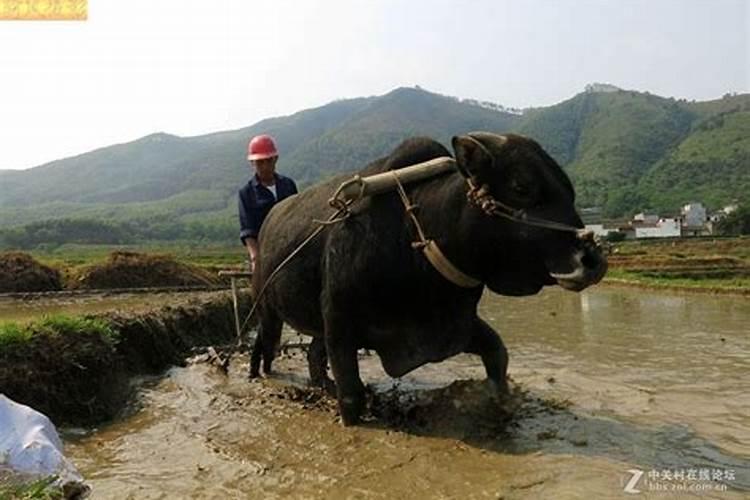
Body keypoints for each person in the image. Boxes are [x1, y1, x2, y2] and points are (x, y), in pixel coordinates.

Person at [238, 134, 298, 273]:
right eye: (260, 162)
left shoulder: (288, 185)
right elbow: (248, 231)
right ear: (252, 163)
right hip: (265, 254)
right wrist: (255, 259)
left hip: (291, 250)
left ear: (275, 159)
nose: (265, 166)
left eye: (268, 161)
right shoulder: (246, 193)